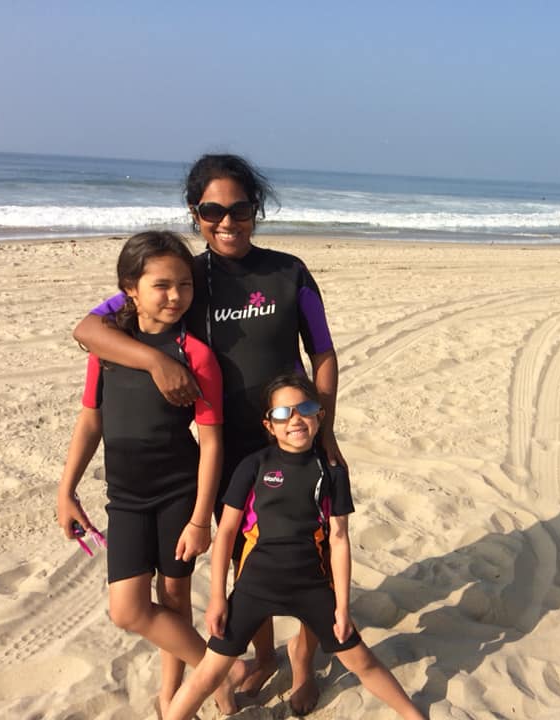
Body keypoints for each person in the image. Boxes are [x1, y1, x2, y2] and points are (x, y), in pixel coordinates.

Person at [73, 154, 341, 712]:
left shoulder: (289, 272)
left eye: (240, 208)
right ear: (195, 214)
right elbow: (91, 327)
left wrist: (325, 428)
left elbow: (322, 352)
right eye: (212, 210)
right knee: (249, 558)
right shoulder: (186, 279)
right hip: (230, 447)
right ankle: (263, 655)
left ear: (256, 209)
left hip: (293, 433)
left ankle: (302, 658)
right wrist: (155, 363)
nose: (227, 221)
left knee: (310, 548)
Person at [164, 373, 424, 720]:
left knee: (362, 661)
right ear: (269, 425)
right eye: (283, 413)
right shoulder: (254, 466)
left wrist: (342, 607)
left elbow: (339, 538)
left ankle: (415, 716)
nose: (295, 419)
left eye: (305, 409)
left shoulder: (332, 472)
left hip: (311, 587)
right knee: (208, 675)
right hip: (254, 587)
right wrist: (216, 599)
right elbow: (225, 532)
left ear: (319, 415)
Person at [56, 231, 236, 716]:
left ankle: (172, 691)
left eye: (184, 284)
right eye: (162, 285)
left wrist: (200, 519)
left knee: (174, 599)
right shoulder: (109, 348)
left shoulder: (195, 354)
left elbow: (211, 441)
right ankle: (218, 670)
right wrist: (66, 490)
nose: (175, 296)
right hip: (126, 498)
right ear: (129, 289)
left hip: (179, 492)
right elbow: (90, 420)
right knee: (128, 609)